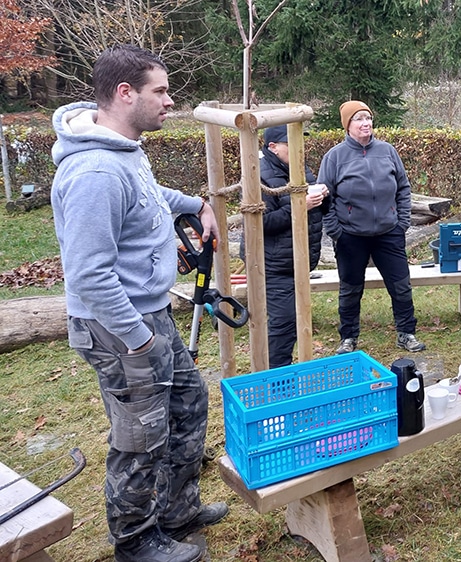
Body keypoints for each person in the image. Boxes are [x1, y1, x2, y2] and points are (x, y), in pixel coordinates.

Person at [50, 44, 228, 562]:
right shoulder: (95, 174)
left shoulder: (125, 151)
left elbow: (147, 194)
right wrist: (138, 335)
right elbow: (87, 274)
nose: (170, 101)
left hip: (148, 314)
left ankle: (177, 510)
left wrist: (196, 204)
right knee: (140, 434)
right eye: (161, 91)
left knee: (188, 405)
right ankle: (135, 539)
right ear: (125, 94)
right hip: (118, 325)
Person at [320, 100, 426, 354]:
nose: (365, 123)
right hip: (350, 236)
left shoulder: (387, 151)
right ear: (347, 125)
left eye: (368, 117)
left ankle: (406, 333)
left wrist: (401, 223)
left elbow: (403, 187)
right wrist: (336, 232)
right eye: (358, 119)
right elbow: (324, 197)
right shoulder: (335, 157)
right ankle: (348, 338)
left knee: (401, 286)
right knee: (350, 289)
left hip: (389, 233)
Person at [259, 125, 330, 368]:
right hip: (273, 263)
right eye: (291, 144)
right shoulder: (259, 175)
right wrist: (301, 207)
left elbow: (314, 212)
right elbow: (262, 223)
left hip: (298, 261)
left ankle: (289, 375)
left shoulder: (300, 169)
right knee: (283, 322)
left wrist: (323, 199)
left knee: (296, 321)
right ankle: (278, 382)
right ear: (273, 147)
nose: (298, 149)